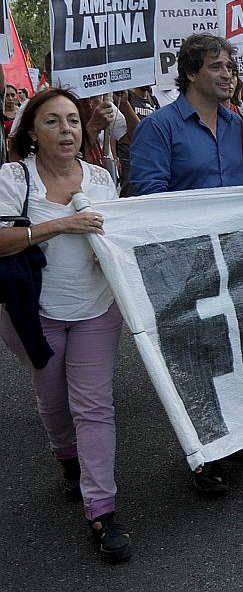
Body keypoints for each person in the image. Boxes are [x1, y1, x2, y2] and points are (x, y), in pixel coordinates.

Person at [129, 34, 243, 494]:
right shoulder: (160, 128)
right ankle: (201, 455)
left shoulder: (239, 125)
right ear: (190, 73)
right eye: (216, 67)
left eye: (231, 66)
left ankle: (233, 432)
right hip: (182, 263)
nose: (228, 74)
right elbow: (147, 197)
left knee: (233, 345)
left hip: (236, 258)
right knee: (193, 358)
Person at [0, 88, 129, 562]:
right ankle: (66, 457)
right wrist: (58, 225)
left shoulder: (99, 179)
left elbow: (116, 238)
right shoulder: (13, 179)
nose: (67, 130)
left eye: (73, 120)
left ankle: (102, 509)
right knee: (54, 401)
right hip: (33, 316)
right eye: (53, 121)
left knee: (93, 406)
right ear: (32, 130)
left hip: (96, 309)